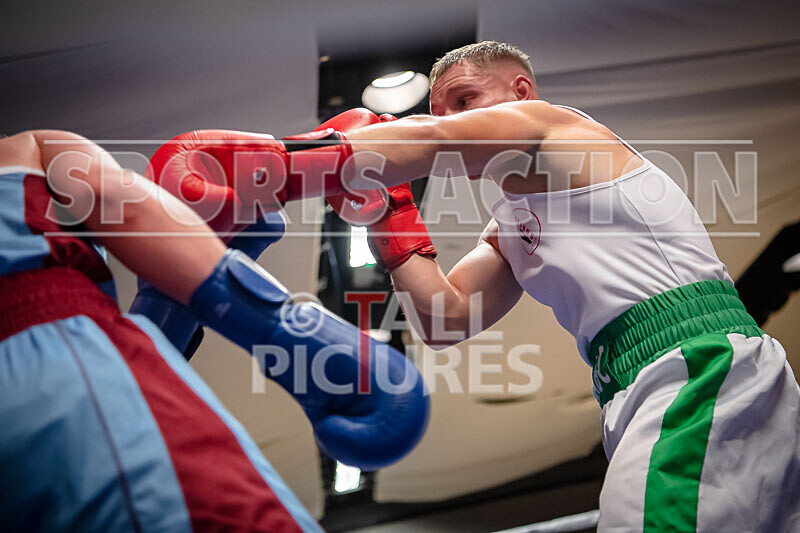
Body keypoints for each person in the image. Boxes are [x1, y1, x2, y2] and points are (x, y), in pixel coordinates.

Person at [327, 42, 800, 531]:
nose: (451, 117)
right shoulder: (509, 223)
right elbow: (445, 318)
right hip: (647, 383)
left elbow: (439, 139)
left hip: (694, 365)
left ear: (521, 91)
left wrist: (307, 159)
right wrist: (389, 210)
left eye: (465, 100)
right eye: (440, 109)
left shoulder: (555, 125)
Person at [0, 130, 428, 532]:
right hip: (63, 365)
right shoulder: (28, 148)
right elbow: (122, 203)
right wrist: (301, 339)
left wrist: (164, 306)